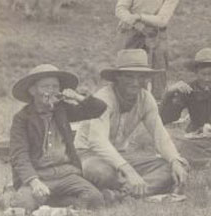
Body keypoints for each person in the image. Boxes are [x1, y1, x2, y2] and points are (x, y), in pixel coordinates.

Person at [75, 49, 189, 198]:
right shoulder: (103, 99)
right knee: (101, 172)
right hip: (89, 155)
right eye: (129, 76)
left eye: (141, 77)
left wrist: (174, 160)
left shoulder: (146, 98)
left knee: (172, 167)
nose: (135, 82)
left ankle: (118, 195)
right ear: (117, 78)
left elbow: (159, 135)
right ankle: (133, 189)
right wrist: (129, 172)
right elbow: (98, 142)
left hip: (121, 156)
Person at [4, 64, 109, 212]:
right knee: (23, 205)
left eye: (55, 86)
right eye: (45, 87)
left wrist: (77, 96)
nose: (50, 91)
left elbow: (99, 109)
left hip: (66, 174)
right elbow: (19, 155)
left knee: (95, 200)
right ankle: (12, 194)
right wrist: (34, 182)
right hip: (39, 175)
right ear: (32, 90)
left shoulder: (62, 110)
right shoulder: (22, 118)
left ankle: (51, 200)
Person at [115, 0, 185, 100]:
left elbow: (162, 20)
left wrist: (139, 17)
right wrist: (136, 24)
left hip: (156, 34)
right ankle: (126, 104)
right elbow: (120, 9)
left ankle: (157, 108)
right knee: (126, 70)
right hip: (130, 31)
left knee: (159, 72)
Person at [159, 47, 211, 167]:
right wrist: (169, 94)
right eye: (203, 74)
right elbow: (166, 118)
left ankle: (210, 160)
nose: (207, 79)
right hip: (195, 140)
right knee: (175, 143)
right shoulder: (188, 90)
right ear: (196, 73)